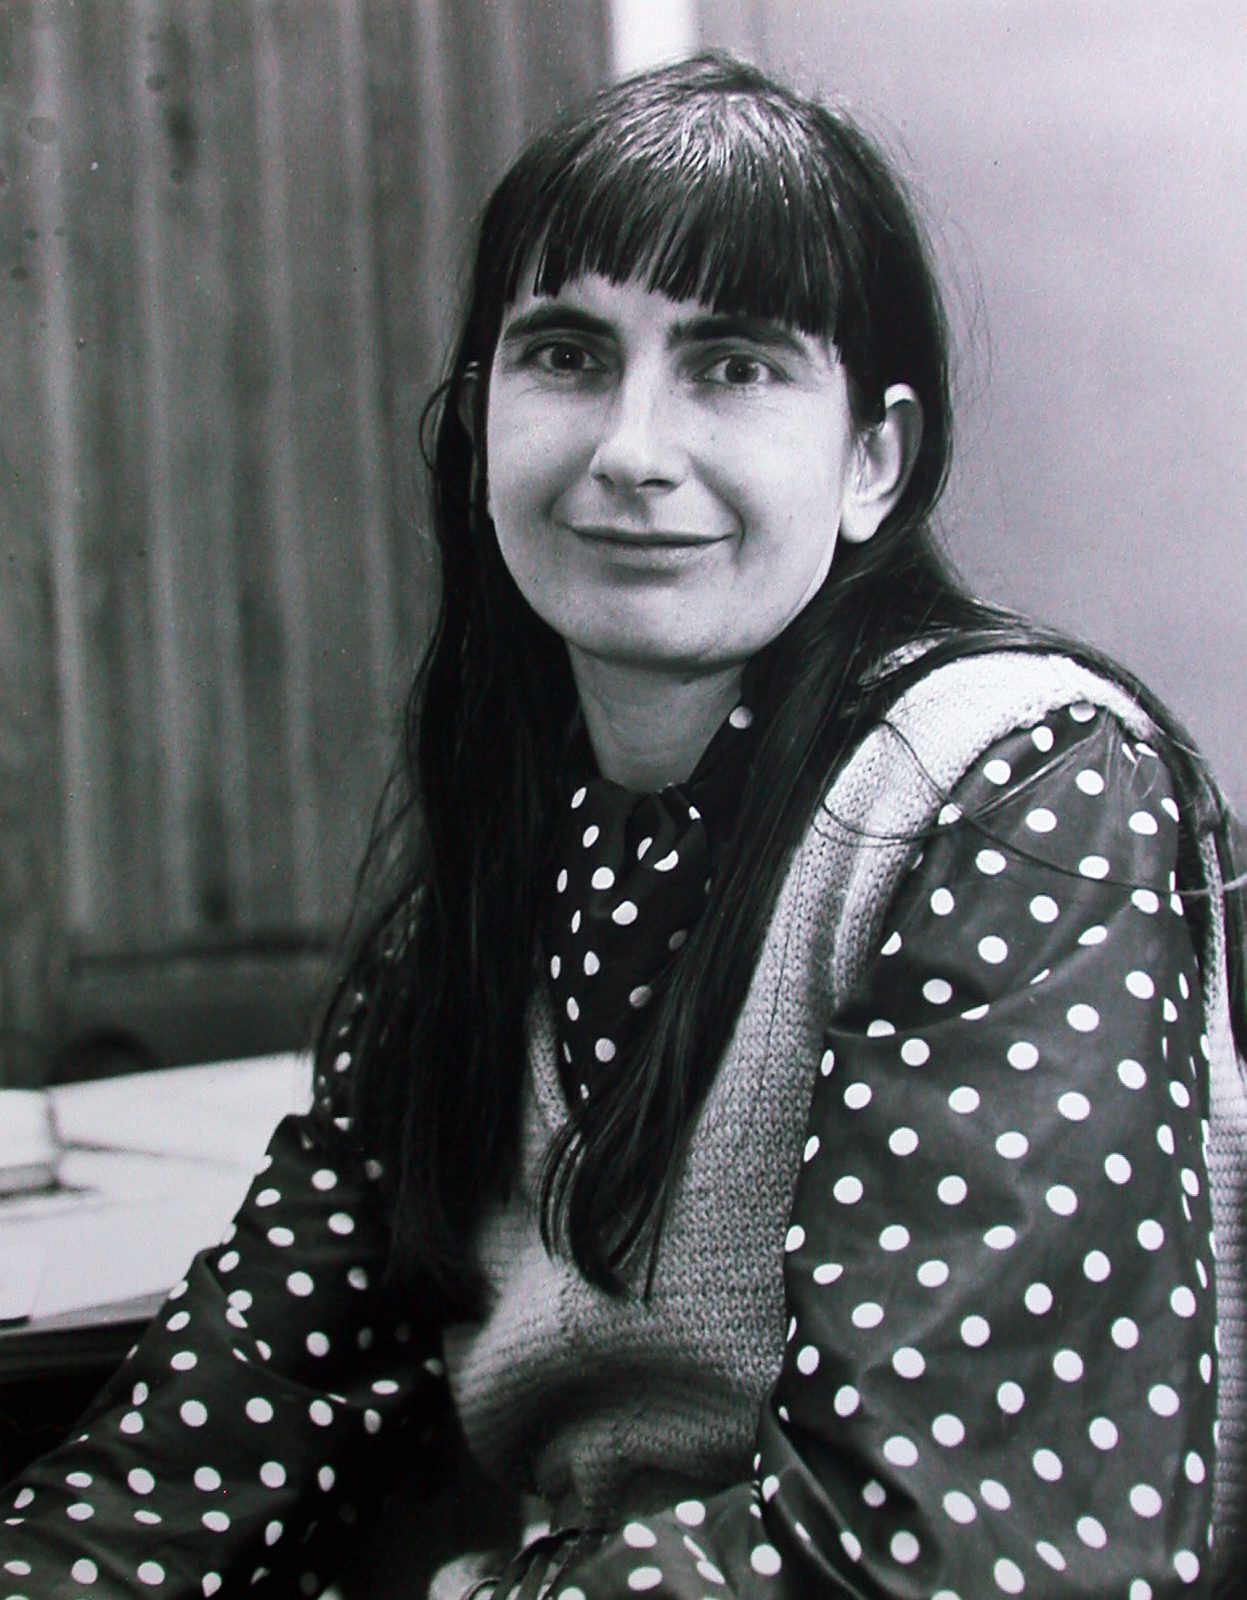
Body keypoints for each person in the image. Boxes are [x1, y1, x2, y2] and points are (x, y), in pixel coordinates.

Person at [3, 51, 1246, 1600]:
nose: (631, 449)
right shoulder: (501, 885)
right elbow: (216, 1438)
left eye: (734, 366)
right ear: (481, 425)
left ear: (874, 461)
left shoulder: (1016, 790)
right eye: (568, 355)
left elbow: (955, 1554)